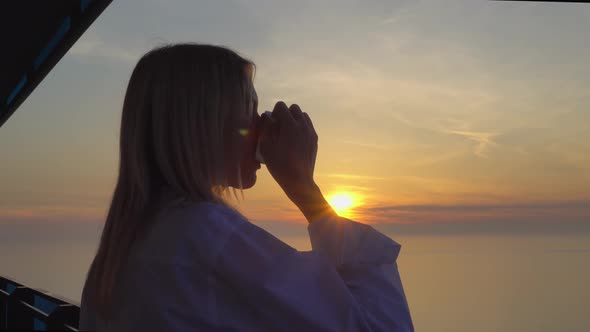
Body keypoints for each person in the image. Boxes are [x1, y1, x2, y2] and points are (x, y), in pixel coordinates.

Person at [79, 43, 414, 332]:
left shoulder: (123, 248)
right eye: (250, 109)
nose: (263, 125)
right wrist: (306, 191)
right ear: (205, 125)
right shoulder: (205, 238)